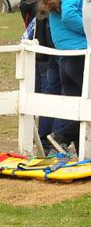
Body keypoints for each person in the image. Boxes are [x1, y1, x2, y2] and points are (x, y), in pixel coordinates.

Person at [42, 0, 86, 155]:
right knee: (83, 108)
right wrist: (88, 29)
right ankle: (62, 136)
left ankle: (82, 153)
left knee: (77, 109)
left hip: (65, 56)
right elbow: (69, 15)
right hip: (80, 54)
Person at [21, 2, 63, 154]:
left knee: (50, 92)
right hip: (55, 45)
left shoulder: (36, 5)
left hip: (44, 45)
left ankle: (45, 139)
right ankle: (57, 139)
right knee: (64, 93)